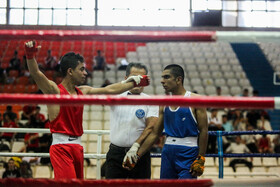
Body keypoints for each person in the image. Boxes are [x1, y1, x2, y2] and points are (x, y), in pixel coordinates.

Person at [24, 40, 149, 179]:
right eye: (82, 69)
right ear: (70, 71)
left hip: (77, 147)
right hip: (61, 147)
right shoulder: (54, 91)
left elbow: (110, 89)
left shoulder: (83, 91)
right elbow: (36, 73)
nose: (85, 72)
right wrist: (30, 56)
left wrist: (133, 82)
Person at [123, 64, 208, 179]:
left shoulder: (196, 100)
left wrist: (201, 157)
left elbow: (204, 130)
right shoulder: (164, 103)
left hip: (188, 151)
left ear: (178, 80)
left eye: (166, 77)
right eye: (162, 77)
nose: (162, 81)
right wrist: (137, 156)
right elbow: (155, 133)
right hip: (168, 151)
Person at [105, 63, 159, 179]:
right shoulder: (115, 97)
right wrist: (125, 85)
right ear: (126, 78)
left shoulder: (151, 101)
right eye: (135, 78)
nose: (138, 81)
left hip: (140, 153)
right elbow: (103, 91)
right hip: (115, 154)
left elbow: (151, 127)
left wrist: (136, 147)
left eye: (142, 78)